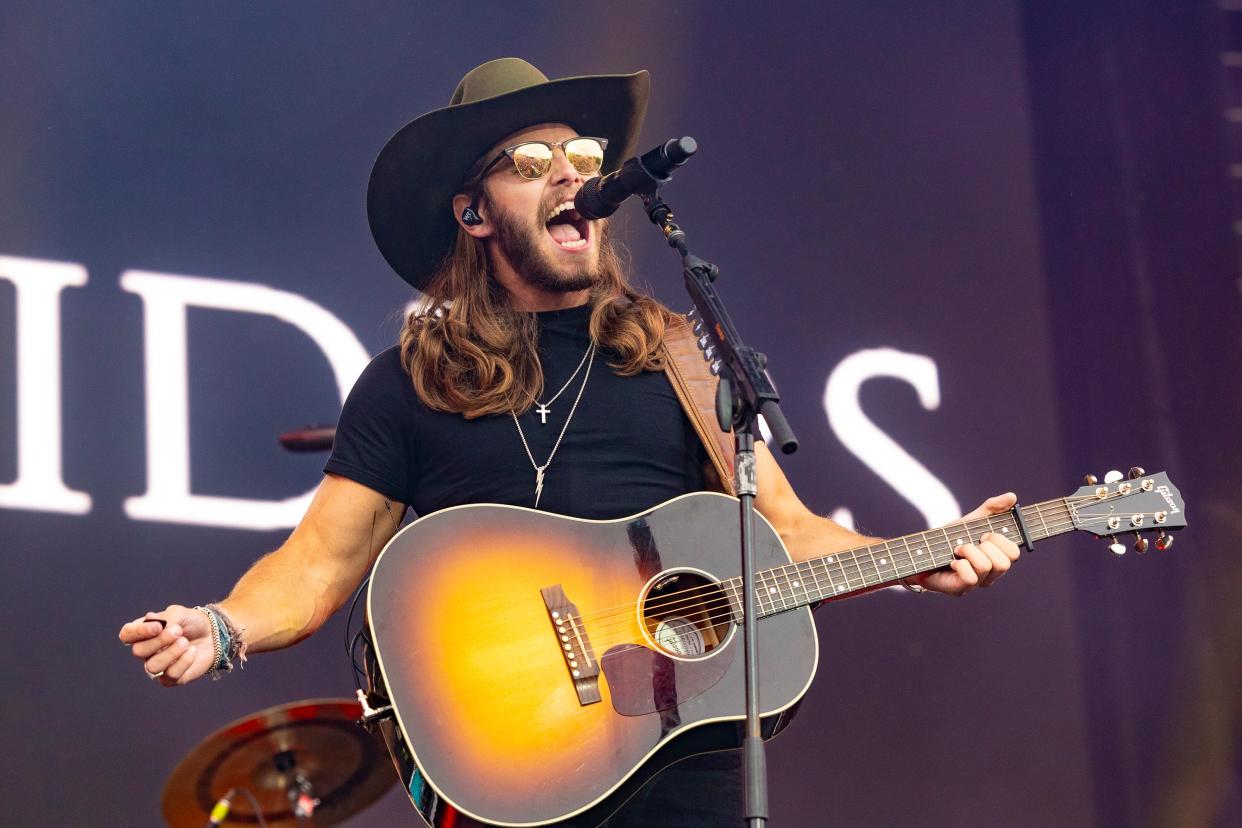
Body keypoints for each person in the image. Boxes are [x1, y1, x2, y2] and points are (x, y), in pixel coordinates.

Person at [118, 58, 1022, 826]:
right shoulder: (407, 380)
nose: (571, 174)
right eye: (533, 161)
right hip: (510, 759)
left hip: (679, 761)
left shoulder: (673, 351)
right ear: (473, 213)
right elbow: (318, 562)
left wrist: (912, 556)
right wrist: (226, 627)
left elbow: (782, 528)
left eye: (585, 158)